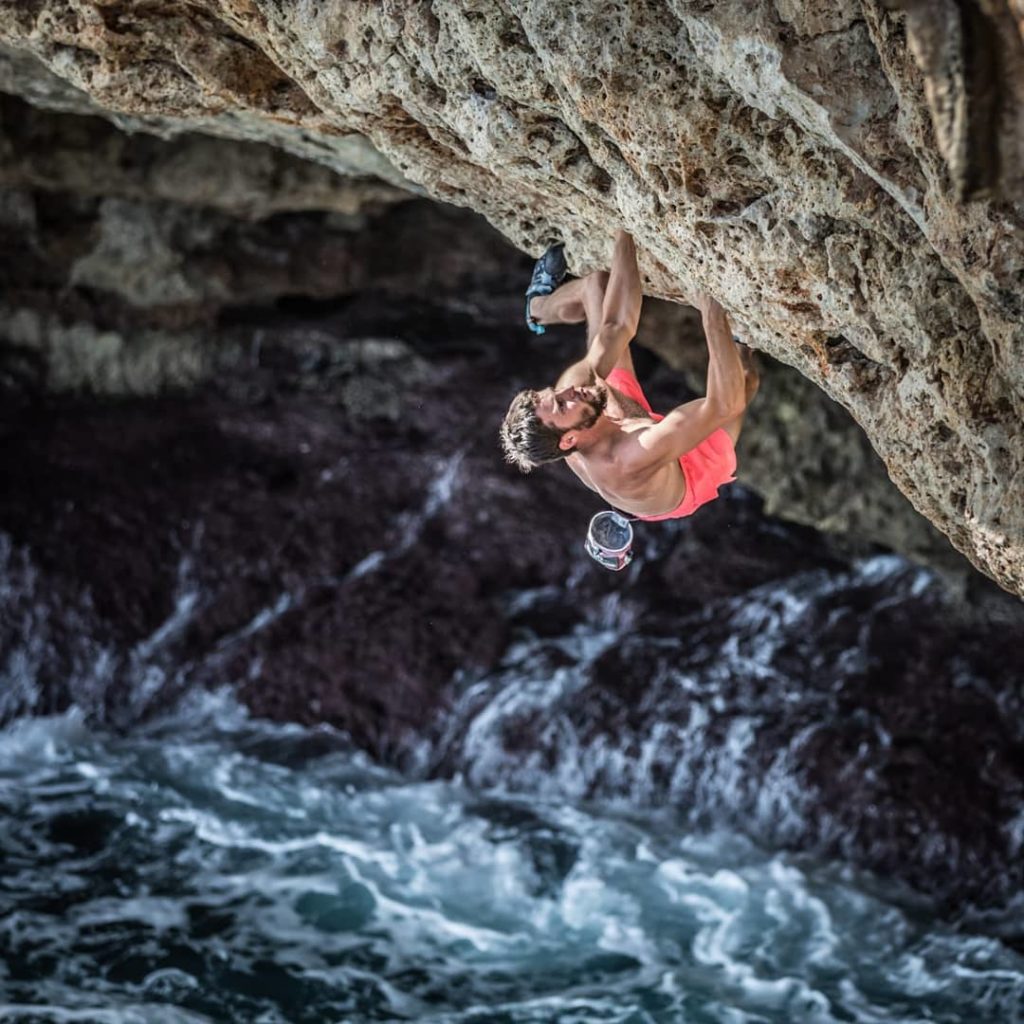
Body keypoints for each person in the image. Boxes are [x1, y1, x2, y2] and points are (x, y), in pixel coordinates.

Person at [500, 230, 759, 521]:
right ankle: (743, 346)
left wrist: (627, 225)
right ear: (569, 440)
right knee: (744, 378)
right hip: (686, 474)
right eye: (560, 405)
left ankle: (538, 308)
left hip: (608, 417)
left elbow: (617, 326)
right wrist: (712, 311)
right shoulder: (629, 458)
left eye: (553, 393)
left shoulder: (578, 398)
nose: (567, 391)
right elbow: (725, 404)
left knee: (598, 285)